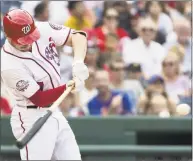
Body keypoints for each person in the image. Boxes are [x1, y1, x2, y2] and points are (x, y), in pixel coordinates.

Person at [1, 9, 89, 160]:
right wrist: (69, 86)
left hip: (54, 112)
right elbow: (40, 99)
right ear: (8, 37)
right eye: (23, 41)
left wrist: (78, 62)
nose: (29, 43)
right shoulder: (8, 65)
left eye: (31, 37)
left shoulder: (42, 29)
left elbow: (78, 36)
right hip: (31, 116)